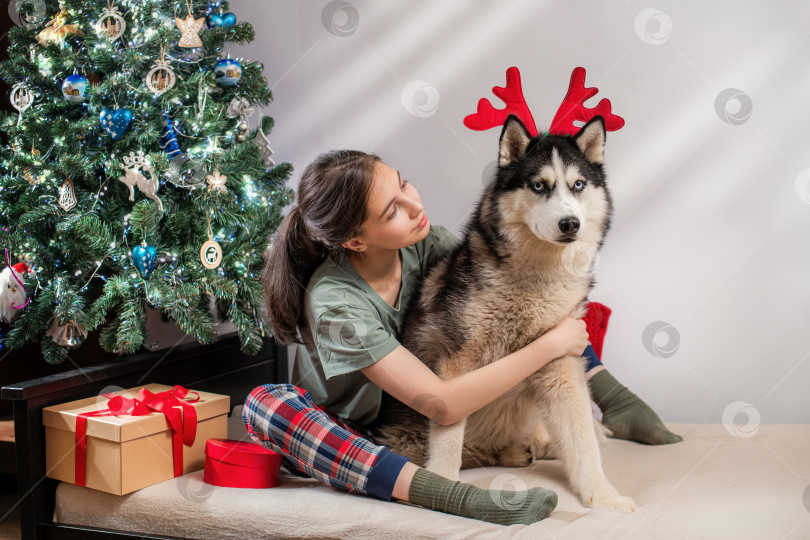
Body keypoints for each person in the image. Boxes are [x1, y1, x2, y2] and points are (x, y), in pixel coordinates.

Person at [245, 150, 677, 526]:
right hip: (362, 427)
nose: (414, 206)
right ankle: (452, 497)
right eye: (391, 211)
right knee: (267, 406)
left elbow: (528, 313)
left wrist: (610, 395)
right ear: (355, 240)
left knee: (530, 304)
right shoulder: (334, 301)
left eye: (404, 185)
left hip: (429, 407)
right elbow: (442, 403)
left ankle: (499, 448)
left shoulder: (424, 240)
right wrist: (549, 345)